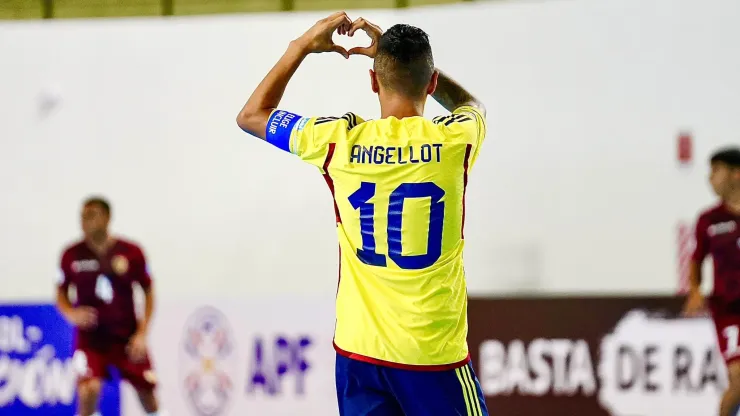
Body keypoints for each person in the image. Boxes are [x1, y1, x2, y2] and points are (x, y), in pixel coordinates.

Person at [236, 12, 489, 416]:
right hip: (431, 353)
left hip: (359, 354)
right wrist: (415, 67)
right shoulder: (455, 141)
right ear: (432, 82)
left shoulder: (339, 141)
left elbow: (251, 115)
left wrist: (300, 46)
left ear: (373, 81)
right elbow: (472, 105)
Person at [56, 197, 162, 416]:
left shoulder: (132, 252)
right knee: (88, 391)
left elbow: (148, 291)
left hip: (126, 336)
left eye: (91, 216)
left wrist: (142, 333)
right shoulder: (71, 255)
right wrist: (70, 313)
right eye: (82, 216)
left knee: (147, 395)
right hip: (90, 339)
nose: (84, 221)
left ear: (107, 218)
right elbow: (60, 290)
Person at [683, 147, 740, 416]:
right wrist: (695, 290)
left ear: (736, 174)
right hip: (731, 311)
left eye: (716, 171)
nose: (710, 178)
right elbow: (696, 260)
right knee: (739, 378)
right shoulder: (709, 220)